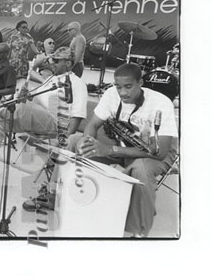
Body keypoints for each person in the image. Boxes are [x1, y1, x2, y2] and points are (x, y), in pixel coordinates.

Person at [70, 63, 178, 237]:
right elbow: (93, 124)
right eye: (118, 86)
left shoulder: (161, 103)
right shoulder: (111, 94)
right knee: (75, 141)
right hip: (122, 143)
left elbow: (160, 151)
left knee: (141, 169)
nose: (122, 93)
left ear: (141, 82)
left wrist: (110, 150)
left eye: (128, 86)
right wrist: (88, 141)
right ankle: (66, 195)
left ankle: (139, 231)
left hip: (154, 150)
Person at [0, 47, 87, 180]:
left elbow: (78, 114)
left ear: (68, 63)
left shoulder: (77, 84)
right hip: (39, 117)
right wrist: (27, 95)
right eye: (52, 59)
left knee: (21, 108)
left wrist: (65, 140)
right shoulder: (52, 79)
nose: (52, 62)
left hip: (57, 123)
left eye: (56, 60)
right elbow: (37, 98)